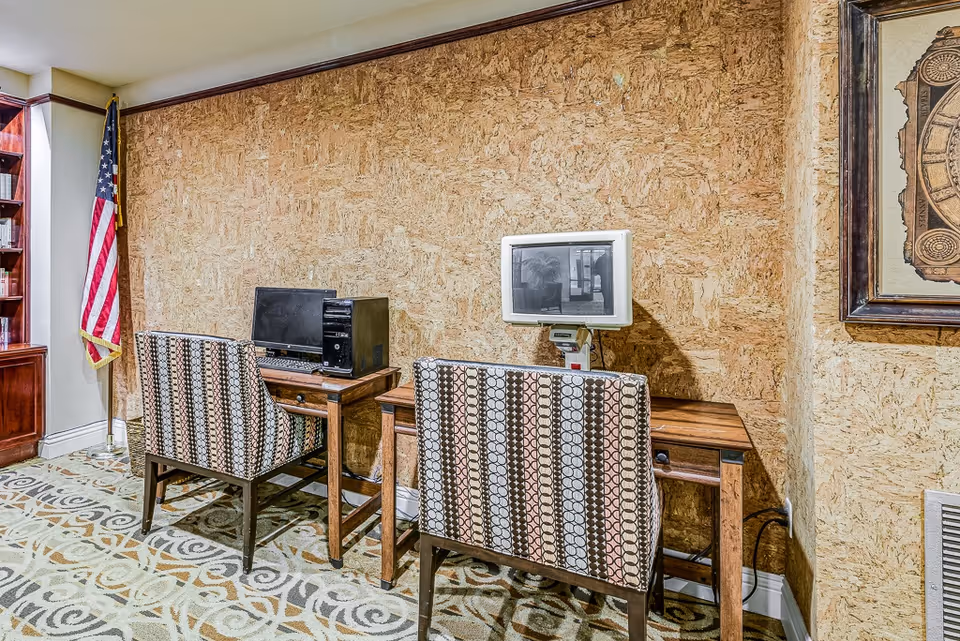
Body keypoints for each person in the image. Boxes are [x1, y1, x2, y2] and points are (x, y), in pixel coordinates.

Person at [594, 250, 613, 315]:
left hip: (605, 280)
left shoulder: (601, 258)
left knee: (607, 294)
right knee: (608, 294)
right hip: (608, 280)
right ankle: (608, 309)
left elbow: (596, 271)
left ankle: (607, 309)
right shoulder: (603, 259)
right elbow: (596, 270)